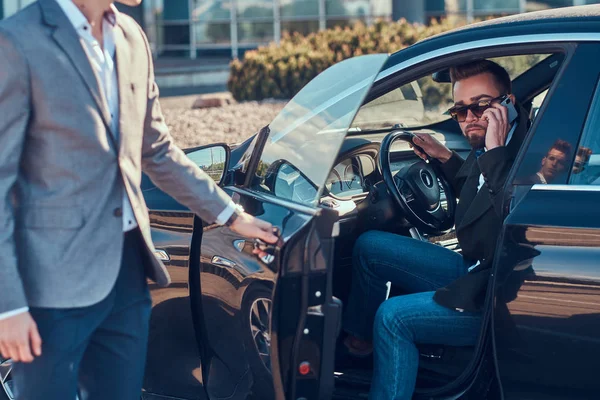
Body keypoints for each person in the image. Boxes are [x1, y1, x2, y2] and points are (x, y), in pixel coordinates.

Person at [0, 1, 277, 399]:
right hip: (48, 289)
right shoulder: (18, 41)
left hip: (128, 278)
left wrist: (232, 216)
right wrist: (7, 306)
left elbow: (158, 151)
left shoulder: (131, 37)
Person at [341, 60, 530, 399]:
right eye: (460, 111)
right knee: (369, 246)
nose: (470, 118)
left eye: (481, 106)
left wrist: (496, 150)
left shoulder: (524, 150)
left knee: (392, 318)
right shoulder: (489, 145)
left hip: (497, 296)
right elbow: (479, 192)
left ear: (509, 104)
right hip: (473, 272)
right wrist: (443, 157)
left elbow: (515, 214)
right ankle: (362, 343)